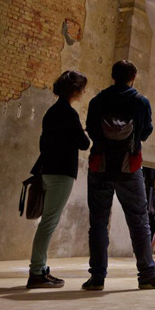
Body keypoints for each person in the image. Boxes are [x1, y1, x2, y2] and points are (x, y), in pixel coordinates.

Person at [83, 60, 155, 290]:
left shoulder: (97, 101)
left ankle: (97, 278)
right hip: (129, 167)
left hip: (100, 166)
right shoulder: (140, 102)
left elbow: (91, 129)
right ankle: (147, 275)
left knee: (98, 223)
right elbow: (145, 132)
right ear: (133, 77)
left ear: (113, 76)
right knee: (139, 221)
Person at [27, 71, 90, 288]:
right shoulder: (69, 114)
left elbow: (44, 143)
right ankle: (37, 271)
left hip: (46, 170)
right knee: (49, 222)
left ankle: (40, 268)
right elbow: (84, 144)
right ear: (75, 90)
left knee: (46, 221)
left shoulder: (51, 112)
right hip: (62, 173)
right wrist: (83, 132)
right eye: (82, 89)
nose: (83, 92)